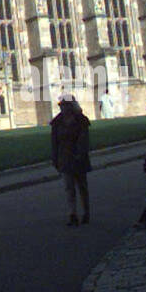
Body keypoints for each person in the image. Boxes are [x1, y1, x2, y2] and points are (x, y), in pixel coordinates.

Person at [50, 94, 91, 226]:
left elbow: (84, 139)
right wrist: (55, 158)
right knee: (69, 187)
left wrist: (80, 153)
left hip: (78, 157)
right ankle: (72, 213)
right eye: (61, 106)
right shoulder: (57, 122)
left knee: (82, 187)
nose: (62, 108)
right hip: (65, 157)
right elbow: (54, 142)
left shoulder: (80, 120)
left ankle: (86, 212)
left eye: (65, 106)